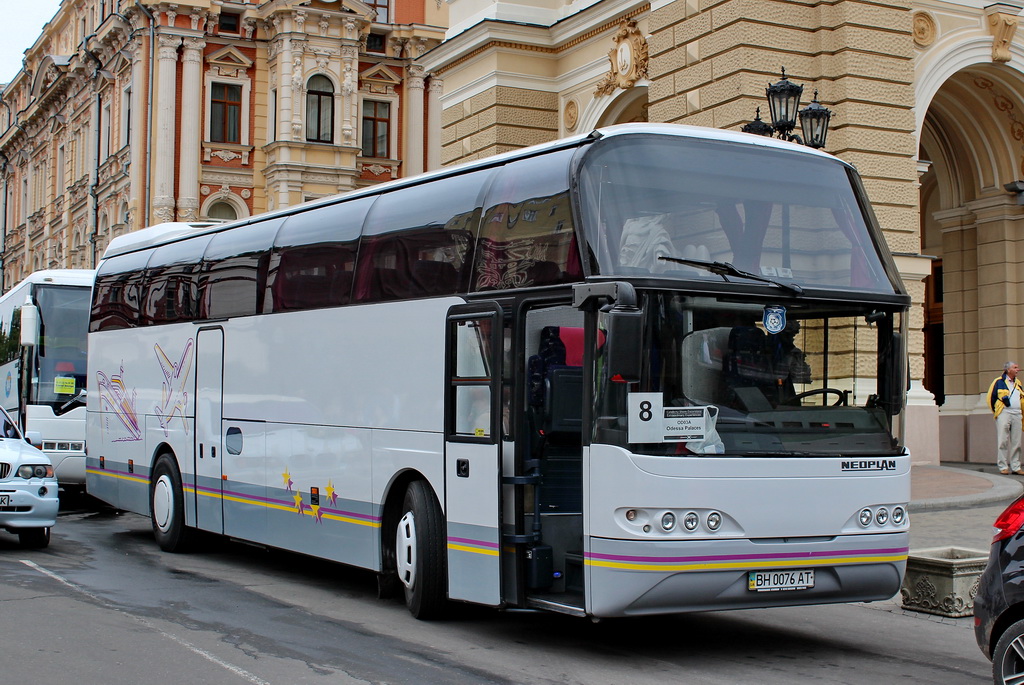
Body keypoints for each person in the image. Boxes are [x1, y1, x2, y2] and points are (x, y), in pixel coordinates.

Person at [988, 361, 1024, 475]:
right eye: (1015, 367)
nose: (1018, 369)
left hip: (1017, 414)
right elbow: (990, 398)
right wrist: (997, 412)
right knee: (1003, 440)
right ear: (1008, 370)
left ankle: (1016, 466)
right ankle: (1003, 466)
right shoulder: (998, 382)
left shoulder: (1018, 383)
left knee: (1016, 442)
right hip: (1004, 413)